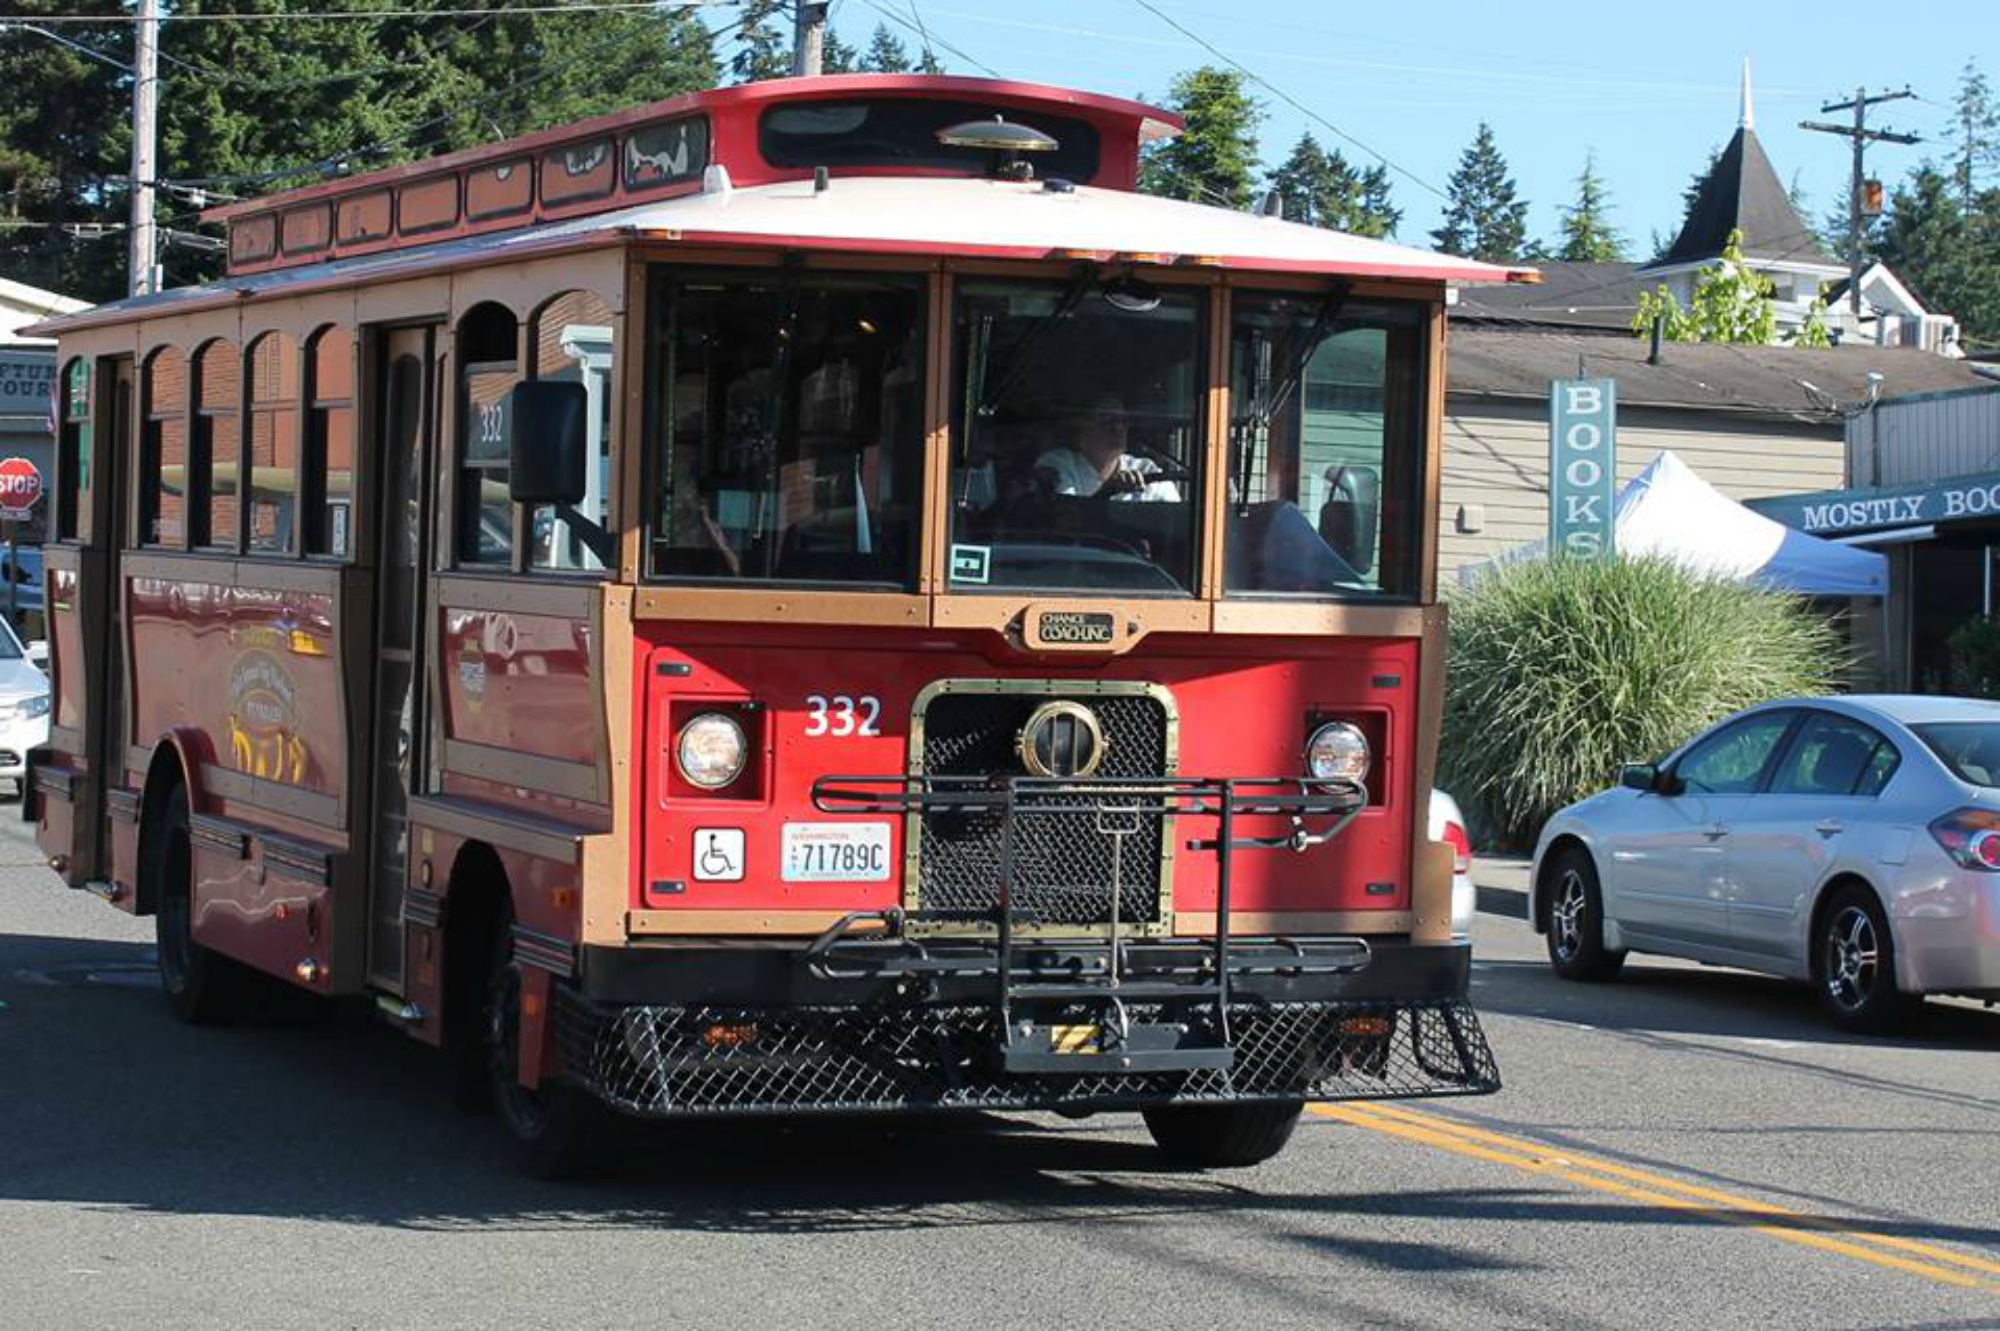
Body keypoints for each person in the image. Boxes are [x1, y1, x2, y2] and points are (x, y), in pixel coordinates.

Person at [1034, 394, 1181, 503]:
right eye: (1106, 419)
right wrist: (1108, 491)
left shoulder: (1146, 469)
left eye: (1122, 420)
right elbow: (1065, 521)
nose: (1117, 428)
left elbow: (1175, 521)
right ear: (1081, 426)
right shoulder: (1058, 464)